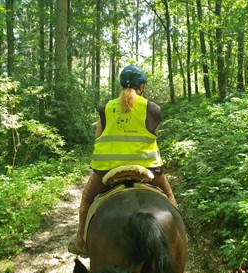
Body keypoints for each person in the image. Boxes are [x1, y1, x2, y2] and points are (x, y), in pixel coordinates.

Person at [69, 65, 176, 256]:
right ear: (142, 86)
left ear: (120, 85)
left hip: (107, 171)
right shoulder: (152, 109)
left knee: (87, 199)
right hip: (148, 170)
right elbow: (154, 135)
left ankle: (81, 242)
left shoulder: (106, 109)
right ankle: (180, 237)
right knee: (169, 198)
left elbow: (98, 136)